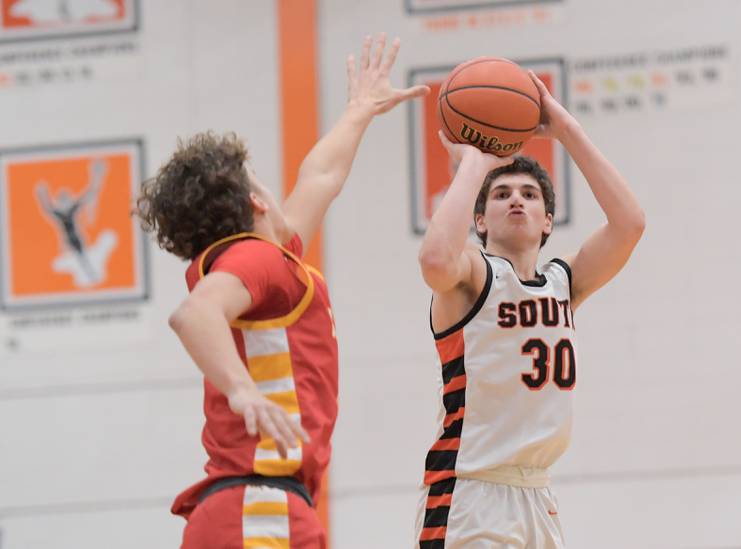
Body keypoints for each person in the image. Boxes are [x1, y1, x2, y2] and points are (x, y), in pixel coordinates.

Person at [135, 34, 428, 549]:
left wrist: (360, 109)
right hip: (258, 508)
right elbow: (193, 315)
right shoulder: (258, 259)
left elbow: (322, 174)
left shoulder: (274, 259)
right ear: (256, 199)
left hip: (260, 508)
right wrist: (243, 389)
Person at [415, 71, 646, 548]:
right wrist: (473, 167)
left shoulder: (564, 284)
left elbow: (629, 224)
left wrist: (566, 130)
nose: (516, 198)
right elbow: (434, 258)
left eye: (529, 194)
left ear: (546, 222)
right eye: (501, 195)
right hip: (469, 491)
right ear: (480, 220)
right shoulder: (471, 276)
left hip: (538, 495)